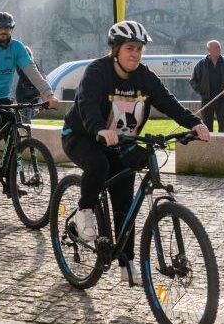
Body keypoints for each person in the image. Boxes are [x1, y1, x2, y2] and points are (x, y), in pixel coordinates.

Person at [62, 20, 211, 285]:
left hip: (120, 142)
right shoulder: (98, 71)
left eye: (139, 49)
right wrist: (98, 128)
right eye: (130, 48)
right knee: (98, 166)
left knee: (125, 201)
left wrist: (194, 123)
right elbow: (86, 105)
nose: (135, 54)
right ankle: (85, 210)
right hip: (82, 136)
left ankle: (127, 262)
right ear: (115, 50)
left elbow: (169, 103)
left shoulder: (144, 77)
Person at [0, 12, 59, 169]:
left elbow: (32, 71)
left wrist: (48, 94)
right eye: (0, 28)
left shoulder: (17, 47)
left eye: (7, 28)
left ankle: (9, 175)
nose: (4, 31)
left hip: (2, 96)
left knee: (13, 129)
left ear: (11, 29)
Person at [189, 40, 224, 132]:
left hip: (223, 99)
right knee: (206, 125)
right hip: (207, 100)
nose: (218, 49)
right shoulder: (201, 64)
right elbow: (193, 80)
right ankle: (208, 145)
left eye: (219, 47)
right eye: (215, 47)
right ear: (208, 50)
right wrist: (202, 91)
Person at [15, 46, 42, 124]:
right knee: (25, 117)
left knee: (25, 117)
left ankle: (26, 133)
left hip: (26, 92)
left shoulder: (26, 64)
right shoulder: (26, 63)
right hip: (28, 92)